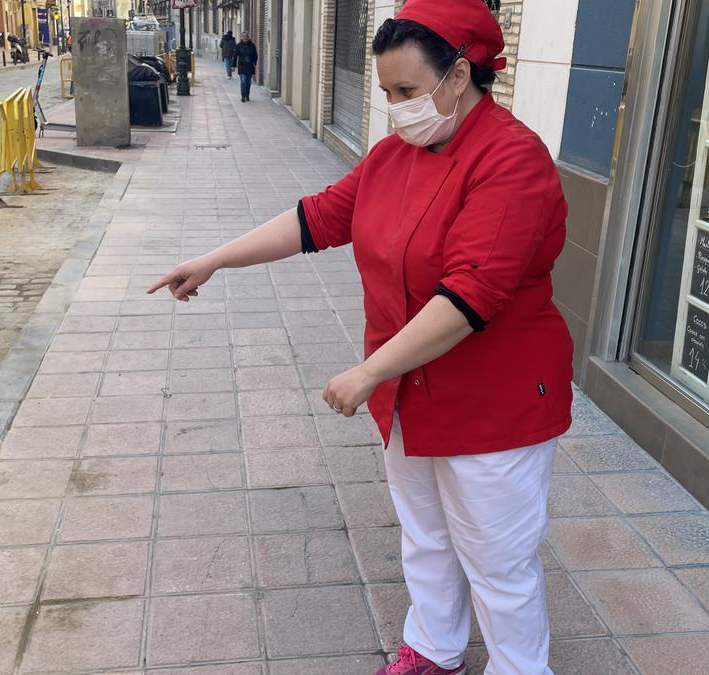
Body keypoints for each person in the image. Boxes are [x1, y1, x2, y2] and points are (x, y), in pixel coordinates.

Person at [148, 0, 571, 672]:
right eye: (386, 92)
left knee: (497, 558)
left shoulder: (511, 160)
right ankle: (434, 647)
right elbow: (316, 219)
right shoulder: (393, 156)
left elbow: (470, 296)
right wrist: (216, 258)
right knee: (427, 535)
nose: (396, 106)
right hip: (414, 391)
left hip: (496, 403)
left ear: (458, 75)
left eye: (407, 91)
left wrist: (369, 371)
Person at [235, 31, 257, 102]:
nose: (245, 38)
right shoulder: (238, 46)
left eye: (246, 36)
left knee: (248, 82)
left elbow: (255, 55)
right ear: (241, 37)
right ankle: (243, 96)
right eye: (243, 36)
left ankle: (247, 95)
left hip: (250, 66)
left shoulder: (252, 45)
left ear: (248, 37)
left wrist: (254, 63)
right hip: (241, 66)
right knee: (243, 81)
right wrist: (233, 66)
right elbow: (235, 56)